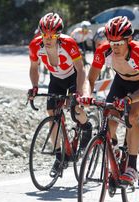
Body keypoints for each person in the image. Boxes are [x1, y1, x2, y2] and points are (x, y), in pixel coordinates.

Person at [83, 16, 139, 185]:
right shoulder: (103, 50)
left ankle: (132, 166)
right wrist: (87, 95)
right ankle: (115, 150)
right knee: (109, 121)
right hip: (120, 83)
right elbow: (90, 79)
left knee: (132, 117)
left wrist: (129, 99)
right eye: (112, 43)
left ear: (129, 40)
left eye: (119, 43)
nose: (115, 47)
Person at [28, 12, 92, 178]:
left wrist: (78, 93)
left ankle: (86, 127)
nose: (48, 39)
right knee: (52, 113)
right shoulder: (35, 45)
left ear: (58, 35)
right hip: (56, 79)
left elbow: (80, 69)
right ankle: (59, 156)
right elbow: (34, 67)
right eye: (45, 35)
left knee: (75, 109)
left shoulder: (68, 43)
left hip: (72, 77)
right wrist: (34, 87)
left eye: (52, 35)